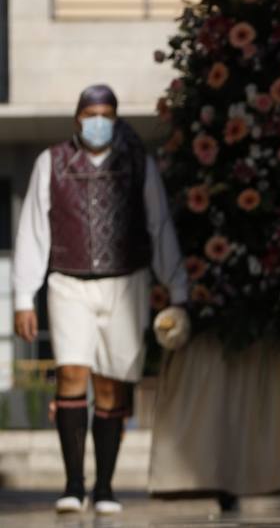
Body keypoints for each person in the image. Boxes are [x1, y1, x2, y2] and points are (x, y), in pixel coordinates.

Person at [11, 85, 188, 514]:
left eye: (107, 113)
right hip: (68, 282)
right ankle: (73, 483)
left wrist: (177, 288)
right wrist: (22, 296)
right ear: (77, 117)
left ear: (116, 116)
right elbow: (34, 229)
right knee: (72, 373)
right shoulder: (50, 162)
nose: (98, 121)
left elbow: (158, 225)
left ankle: (105, 487)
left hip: (125, 282)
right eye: (91, 113)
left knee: (111, 383)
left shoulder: (137, 163)